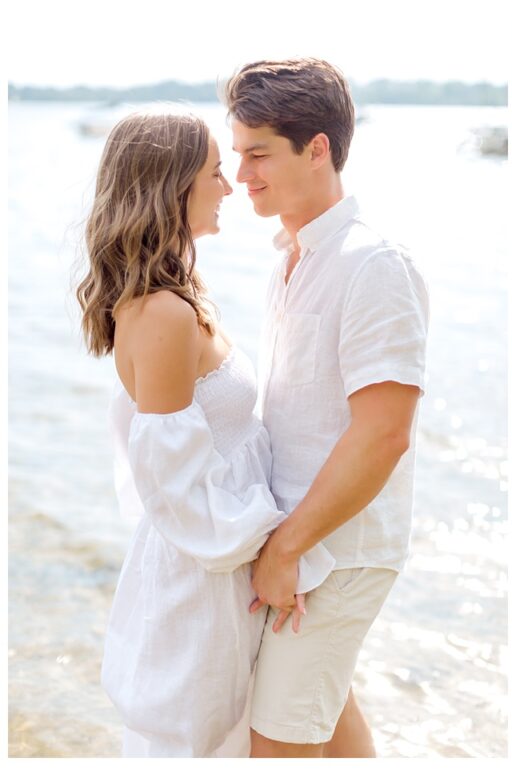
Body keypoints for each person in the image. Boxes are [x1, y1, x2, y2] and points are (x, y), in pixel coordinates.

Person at [77, 110, 334, 757]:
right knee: (203, 745)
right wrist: (277, 547)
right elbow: (175, 485)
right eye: (216, 172)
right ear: (170, 186)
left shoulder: (179, 293)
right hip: (206, 573)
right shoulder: (161, 313)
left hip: (224, 561)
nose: (231, 186)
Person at [224, 58, 429, 758]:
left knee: (278, 747)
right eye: (237, 154)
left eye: (259, 154)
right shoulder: (290, 258)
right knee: (328, 723)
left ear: (318, 148)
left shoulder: (373, 265)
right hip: (298, 544)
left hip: (334, 552)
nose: (242, 173)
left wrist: (288, 547)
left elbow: (384, 434)